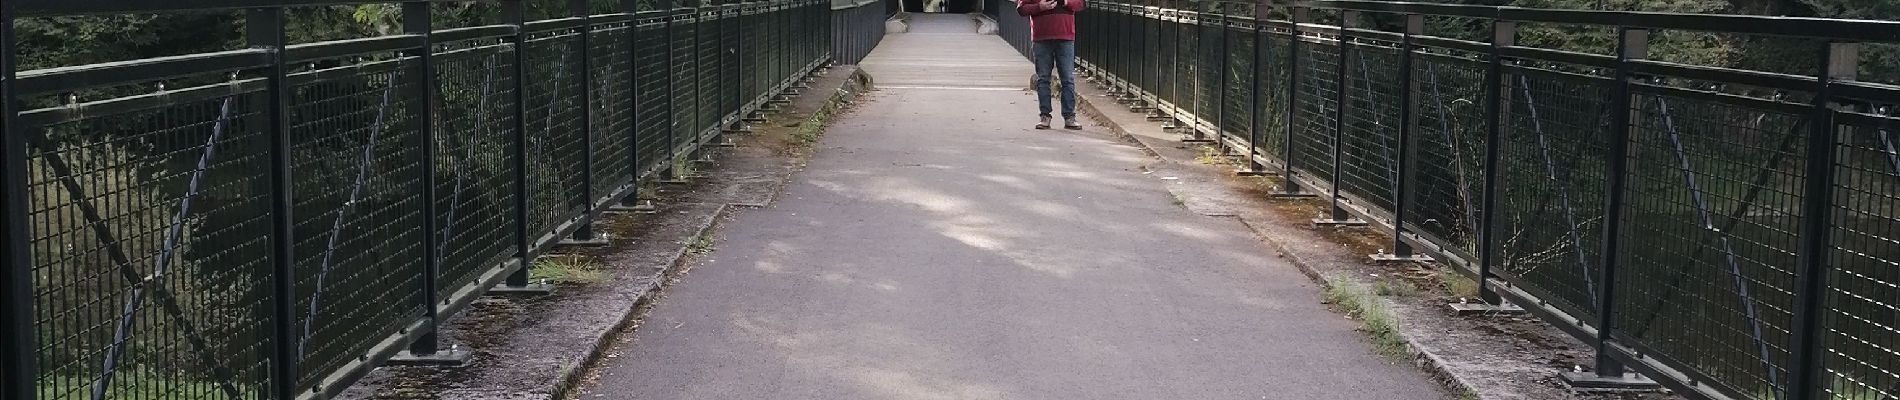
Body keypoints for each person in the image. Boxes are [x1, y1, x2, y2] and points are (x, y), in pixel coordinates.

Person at [1017, 0, 1084, 130]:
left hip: (1065, 37)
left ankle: (1069, 117)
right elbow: (1021, 9)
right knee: (1043, 78)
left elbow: (1080, 4)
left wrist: (1065, 2)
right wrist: (1039, 7)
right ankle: (1045, 116)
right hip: (1041, 38)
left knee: (1067, 79)